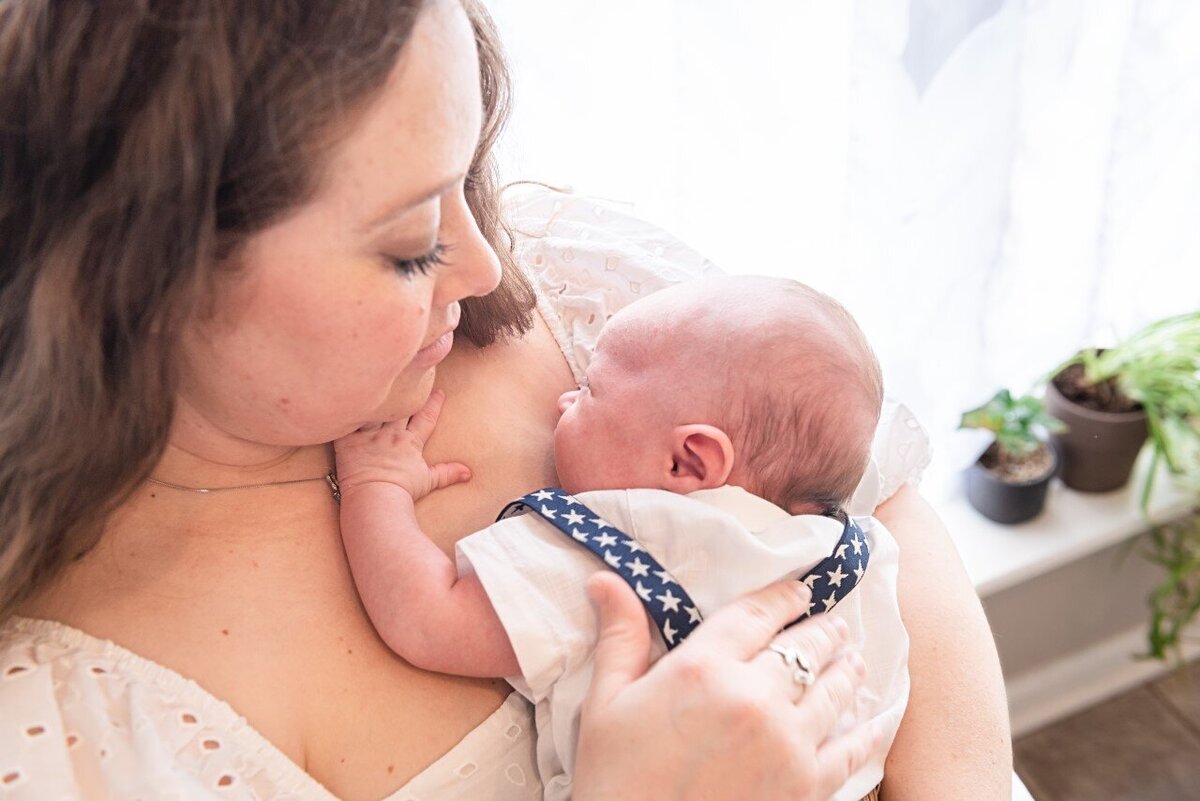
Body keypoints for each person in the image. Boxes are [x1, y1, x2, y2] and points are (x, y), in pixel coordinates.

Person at [0, 1, 1012, 799]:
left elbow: (882, 506)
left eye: (468, 170)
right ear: (145, 280)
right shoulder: (76, 727)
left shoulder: (592, 300)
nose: (487, 264)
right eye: (407, 248)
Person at [333, 274, 910, 801]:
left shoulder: (616, 551)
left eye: (589, 389)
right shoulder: (847, 545)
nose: (562, 399)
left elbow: (428, 620)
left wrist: (375, 485)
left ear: (688, 461)